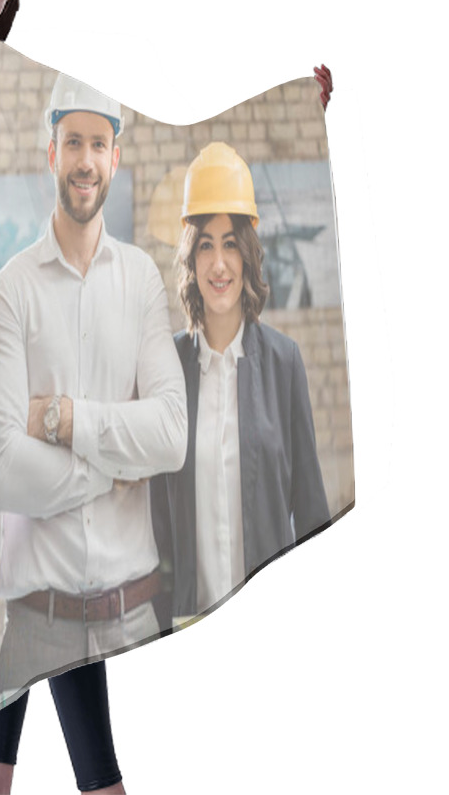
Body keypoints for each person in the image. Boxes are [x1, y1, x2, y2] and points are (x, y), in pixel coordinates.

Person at [0, 72, 188, 795]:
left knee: (8, 783)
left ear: (114, 157)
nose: (85, 159)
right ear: (51, 153)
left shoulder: (144, 281)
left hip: (135, 618)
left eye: (99, 143)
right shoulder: (13, 291)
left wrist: (61, 420)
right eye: (72, 143)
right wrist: (115, 465)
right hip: (44, 610)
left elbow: (171, 436)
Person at [151, 141, 331, 627]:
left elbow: (312, 513)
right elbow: (155, 521)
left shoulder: (283, 362)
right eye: (205, 244)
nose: (219, 264)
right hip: (189, 627)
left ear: (248, 253)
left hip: (272, 623)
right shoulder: (167, 366)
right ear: (191, 258)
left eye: (230, 242)